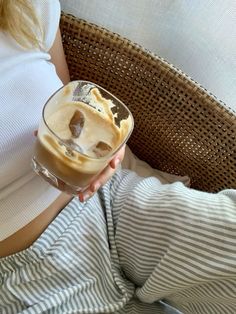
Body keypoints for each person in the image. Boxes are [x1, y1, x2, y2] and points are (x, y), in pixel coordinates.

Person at [0, 1, 236, 314]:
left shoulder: (21, 6)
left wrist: (103, 150)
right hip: (29, 278)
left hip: (112, 202)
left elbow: (69, 97)